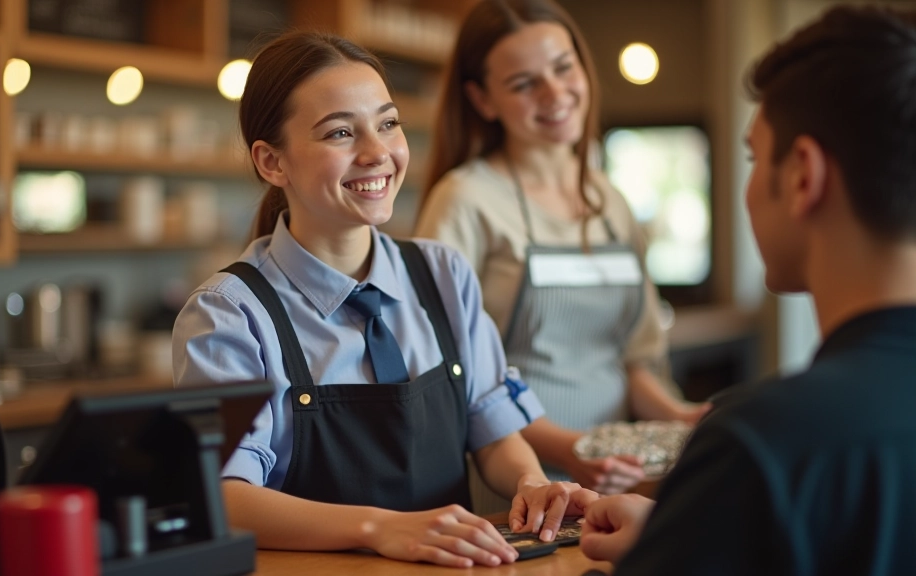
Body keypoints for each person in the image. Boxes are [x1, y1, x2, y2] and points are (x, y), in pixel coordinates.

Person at [172, 31, 597, 568]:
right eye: (341, 132)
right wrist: (380, 528)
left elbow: (492, 430)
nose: (377, 153)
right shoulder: (229, 313)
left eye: (388, 123)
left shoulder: (442, 274)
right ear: (271, 163)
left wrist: (533, 484)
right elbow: (226, 497)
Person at [579, 6, 916, 574]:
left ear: (803, 175)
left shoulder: (763, 446)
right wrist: (685, 533)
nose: (749, 184)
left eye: (755, 157)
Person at [413, 0, 707, 499]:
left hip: (617, 477)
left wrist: (679, 418)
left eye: (563, 68)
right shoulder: (466, 200)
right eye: (524, 83)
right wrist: (569, 448)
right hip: (517, 482)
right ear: (483, 100)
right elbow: (452, 378)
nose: (554, 93)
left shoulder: (610, 200)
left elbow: (631, 359)